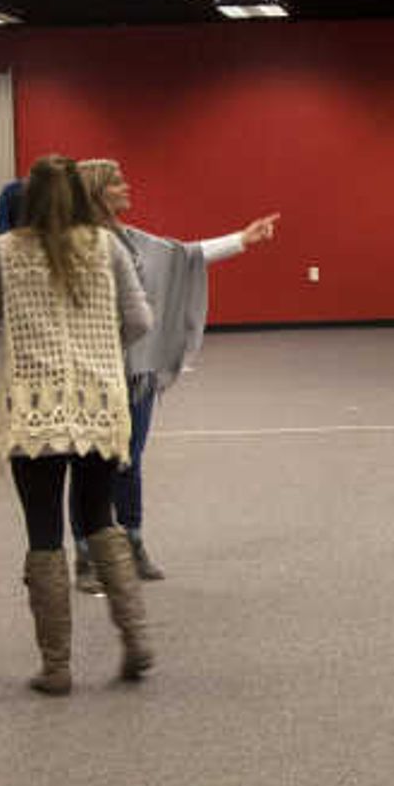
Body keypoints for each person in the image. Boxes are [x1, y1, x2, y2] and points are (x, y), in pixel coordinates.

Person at [0, 156, 154, 696]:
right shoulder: (107, 246)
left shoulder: (3, 251)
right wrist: (102, 351)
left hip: (33, 411)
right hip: (101, 405)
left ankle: (57, 666)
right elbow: (141, 321)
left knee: (44, 533)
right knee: (100, 518)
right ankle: (135, 638)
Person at [75, 157, 278, 582]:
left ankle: (131, 541)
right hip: (91, 376)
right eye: (117, 183)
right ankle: (87, 553)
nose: (127, 187)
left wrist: (244, 238)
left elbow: (185, 256)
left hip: (138, 374)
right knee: (92, 462)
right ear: (97, 193)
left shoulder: (134, 241)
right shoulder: (71, 246)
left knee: (130, 460)